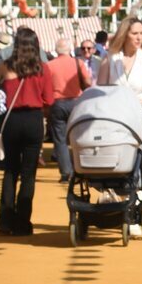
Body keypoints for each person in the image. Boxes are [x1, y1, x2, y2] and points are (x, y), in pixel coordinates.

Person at [97, 16, 142, 238]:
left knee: (138, 165)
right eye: (135, 33)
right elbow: (101, 88)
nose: (139, 38)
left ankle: (133, 212)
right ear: (125, 34)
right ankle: (111, 199)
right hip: (114, 118)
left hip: (140, 116)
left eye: (141, 33)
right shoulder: (110, 59)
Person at [0, 26, 54, 237]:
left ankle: (5, 219)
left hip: (11, 121)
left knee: (11, 170)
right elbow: (49, 100)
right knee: (29, 174)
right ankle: (22, 222)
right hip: (33, 120)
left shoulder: (5, 66)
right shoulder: (42, 69)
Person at [44, 35, 93, 181]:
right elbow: (88, 82)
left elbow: (45, 87)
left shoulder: (49, 65)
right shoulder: (78, 63)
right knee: (78, 137)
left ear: (56, 50)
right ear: (69, 49)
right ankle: (81, 168)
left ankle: (66, 172)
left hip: (57, 103)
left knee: (60, 139)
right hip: (76, 102)